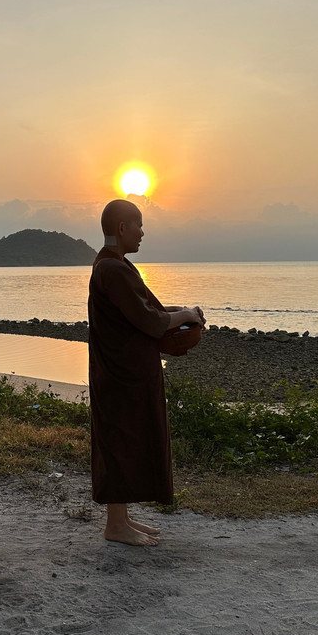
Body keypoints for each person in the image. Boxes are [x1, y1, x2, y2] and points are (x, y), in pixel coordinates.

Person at [88, 199, 204, 546]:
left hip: (129, 371)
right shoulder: (112, 270)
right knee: (121, 442)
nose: (142, 231)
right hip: (121, 374)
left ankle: (121, 517)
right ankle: (115, 525)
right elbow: (151, 321)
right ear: (121, 228)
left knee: (130, 440)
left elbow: (147, 309)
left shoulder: (117, 265)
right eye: (138, 224)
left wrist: (181, 313)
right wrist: (185, 315)